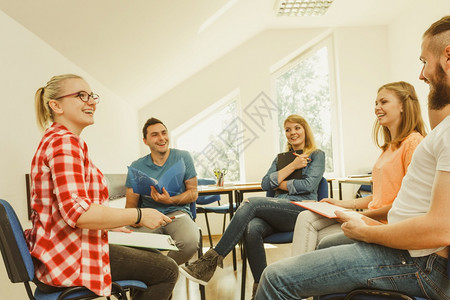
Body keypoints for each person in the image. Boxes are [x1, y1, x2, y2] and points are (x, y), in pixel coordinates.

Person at [256, 16, 450, 300]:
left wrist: (367, 228)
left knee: (275, 278)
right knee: (315, 244)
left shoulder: (428, 137)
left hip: (421, 262)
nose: (421, 74)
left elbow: (439, 228)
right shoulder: (436, 133)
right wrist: (354, 214)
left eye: (424, 62)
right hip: (413, 250)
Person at [24, 74, 178, 299]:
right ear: (55, 105)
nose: (91, 102)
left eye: (92, 96)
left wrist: (109, 223)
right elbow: (78, 213)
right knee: (167, 270)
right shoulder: (63, 143)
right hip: (68, 259)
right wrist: (137, 215)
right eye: (81, 96)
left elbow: (72, 206)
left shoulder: (63, 141)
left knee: (153, 256)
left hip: (61, 250)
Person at [180, 114, 325, 298]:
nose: (292, 133)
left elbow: (309, 185)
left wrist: (278, 182)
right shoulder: (281, 158)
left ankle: (209, 262)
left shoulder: (316, 155)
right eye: (287, 129)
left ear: (305, 130)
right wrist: (292, 166)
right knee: (251, 228)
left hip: (301, 211)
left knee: (251, 203)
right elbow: (265, 183)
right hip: (277, 210)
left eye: (297, 128)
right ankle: (262, 290)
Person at [291, 81, 426, 256]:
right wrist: (340, 203)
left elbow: (409, 205)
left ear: (402, 106)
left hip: (387, 227)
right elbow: (379, 195)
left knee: (319, 238)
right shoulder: (389, 148)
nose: (377, 107)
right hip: (373, 220)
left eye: (383, 102)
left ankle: (295, 278)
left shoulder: (413, 142)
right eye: (376, 103)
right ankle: (298, 278)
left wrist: (360, 215)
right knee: (306, 218)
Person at [125, 117, 200, 265]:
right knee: (129, 246)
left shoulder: (183, 157)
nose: (161, 138)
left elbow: (193, 193)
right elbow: (130, 206)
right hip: (149, 215)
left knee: (190, 242)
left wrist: (170, 200)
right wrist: (135, 219)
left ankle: (162, 272)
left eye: (164, 133)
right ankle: (161, 275)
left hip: (178, 214)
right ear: (145, 141)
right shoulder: (137, 166)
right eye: (155, 135)